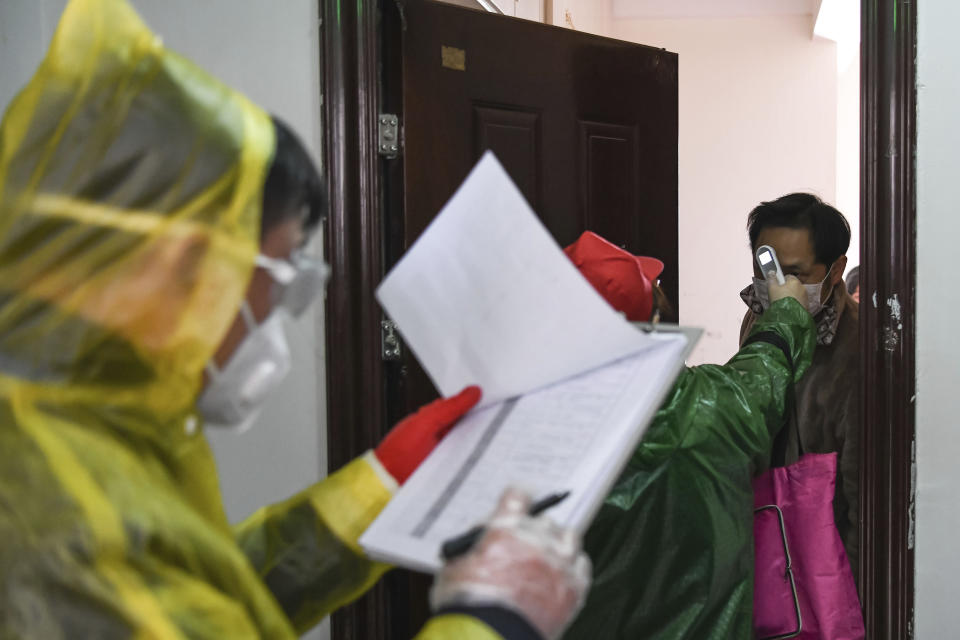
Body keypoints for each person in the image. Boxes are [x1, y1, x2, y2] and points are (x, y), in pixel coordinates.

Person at [0, 1, 589, 638]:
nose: (277, 316)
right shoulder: (57, 515)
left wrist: (380, 483)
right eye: (278, 277)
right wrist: (493, 618)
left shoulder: (80, 424)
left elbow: (218, 600)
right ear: (179, 269)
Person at [558, 231, 815, 639]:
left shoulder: (535, 432)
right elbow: (766, 370)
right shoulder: (713, 406)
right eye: (655, 288)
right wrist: (786, 309)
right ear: (654, 322)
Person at [738, 193, 860, 579]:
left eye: (796, 274)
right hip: (763, 536)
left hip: (825, 559)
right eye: (767, 269)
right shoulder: (759, 320)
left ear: (836, 269)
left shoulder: (861, 348)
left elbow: (864, 499)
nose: (778, 288)